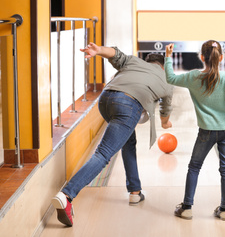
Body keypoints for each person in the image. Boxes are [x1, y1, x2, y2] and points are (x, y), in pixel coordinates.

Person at [51, 42, 174, 226]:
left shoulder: (134, 62)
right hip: (128, 104)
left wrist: (98, 50)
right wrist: (166, 123)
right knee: (103, 154)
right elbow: (165, 108)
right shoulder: (166, 79)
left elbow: (117, 54)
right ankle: (67, 195)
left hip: (106, 99)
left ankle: (135, 191)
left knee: (128, 140)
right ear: (163, 67)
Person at [164, 41, 225, 221]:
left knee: (194, 167)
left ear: (201, 57)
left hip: (206, 131)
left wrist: (168, 57)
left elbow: (170, 78)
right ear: (222, 58)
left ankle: (187, 207)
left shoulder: (193, 76)